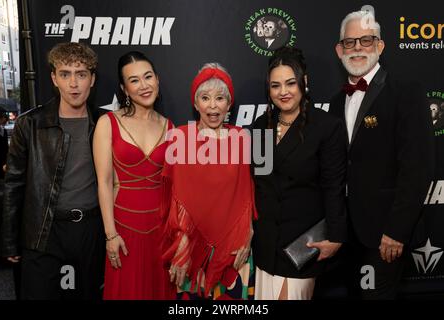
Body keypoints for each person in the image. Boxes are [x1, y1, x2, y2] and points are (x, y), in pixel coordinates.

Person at [329, 10, 434, 299]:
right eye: (350, 42)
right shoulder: (338, 102)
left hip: (385, 235)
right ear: (340, 50)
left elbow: (417, 168)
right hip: (348, 235)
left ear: (380, 46)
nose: (358, 47)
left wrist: (397, 231)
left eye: (366, 40)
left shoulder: (406, 93)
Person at [0, 42, 105, 299]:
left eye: (81, 74)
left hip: (90, 230)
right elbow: (14, 184)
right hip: (43, 230)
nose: (73, 83)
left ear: (92, 79)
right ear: (54, 79)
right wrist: (9, 240)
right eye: (65, 74)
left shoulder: (105, 123)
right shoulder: (30, 124)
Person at [251, 47, 347, 300]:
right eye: (275, 85)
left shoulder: (326, 127)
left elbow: (333, 186)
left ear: (304, 82)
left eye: (290, 83)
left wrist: (335, 236)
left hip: (301, 246)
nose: (283, 92)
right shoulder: (262, 126)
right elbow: (262, 183)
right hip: (266, 245)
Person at [161, 63, 257, 299]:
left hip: (235, 249)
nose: (213, 106)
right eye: (205, 98)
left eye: (220, 98)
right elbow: (176, 198)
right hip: (191, 250)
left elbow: (247, 194)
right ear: (195, 104)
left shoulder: (241, 138)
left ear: (229, 103)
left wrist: (247, 233)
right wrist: (182, 248)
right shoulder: (180, 137)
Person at [93, 51, 174, 299]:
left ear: (157, 80)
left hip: (161, 232)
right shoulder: (108, 123)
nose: (144, 85)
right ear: (124, 88)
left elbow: (174, 186)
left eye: (148, 77)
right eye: (134, 80)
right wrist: (111, 235)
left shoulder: (169, 126)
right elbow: (104, 183)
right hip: (124, 232)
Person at [0, 108, 9, 185]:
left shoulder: (3, 130)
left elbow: (6, 146)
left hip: (3, 157)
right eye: (2, 117)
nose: (4, 119)